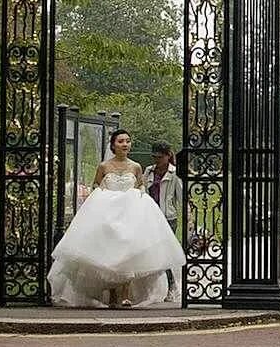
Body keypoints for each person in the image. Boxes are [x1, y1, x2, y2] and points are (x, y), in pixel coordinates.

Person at [48, 129, 185, 308]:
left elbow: (140, 185)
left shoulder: (136, 166)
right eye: (121, 141)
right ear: (113, 145)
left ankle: (125, 293)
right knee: (109, 253)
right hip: (108, 214)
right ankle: (111, 293)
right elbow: (96, 185)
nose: (125, 144)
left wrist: (139, 200)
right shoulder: (104, 166)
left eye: (127, 141)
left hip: (129, 214)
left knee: (128, 252)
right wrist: (104, 197)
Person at [142, 142, 184, 303]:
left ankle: (172, 285)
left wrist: (188, 216)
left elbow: (181, 197)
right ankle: (154, 287)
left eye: (159, 157)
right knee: (150, 252)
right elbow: (142, 190)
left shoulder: (174, 174)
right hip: (150, 216)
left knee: (163, 253)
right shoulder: (149, 171)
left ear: (168, 156)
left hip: (168, 218)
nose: (156, 160)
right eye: (154, 157)